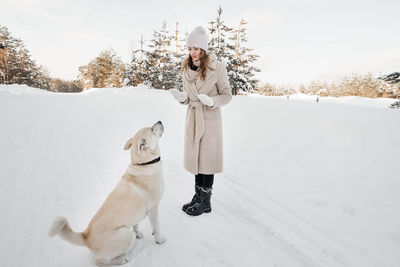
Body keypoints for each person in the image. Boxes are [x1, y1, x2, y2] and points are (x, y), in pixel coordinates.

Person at [170, 26, 232, 216]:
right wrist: (183, 98)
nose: (192, 53)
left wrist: (212, 101)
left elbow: (227, 95)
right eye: (190, 48)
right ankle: (198, 197)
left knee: (207, 160)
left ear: (203, 49)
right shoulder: (186, 70)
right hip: (193, 118)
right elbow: (190, 98)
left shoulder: (218, 67)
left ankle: (206, 201)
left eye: (196, 48)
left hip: (210, 120)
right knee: (197, 159)